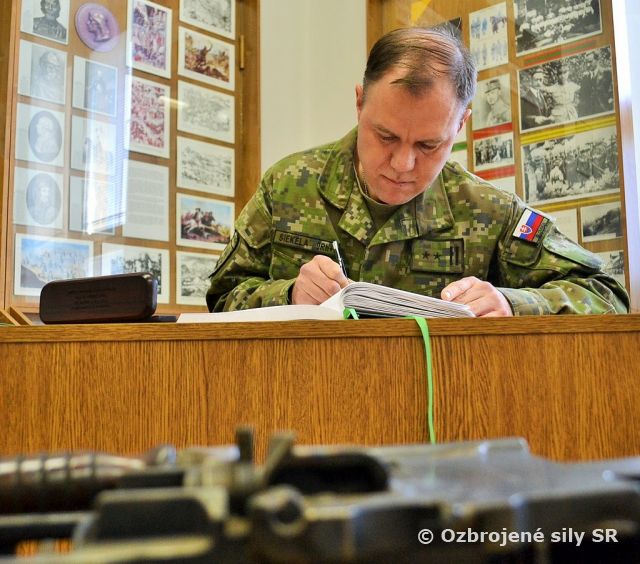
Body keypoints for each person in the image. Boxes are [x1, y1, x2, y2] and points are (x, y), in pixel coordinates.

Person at [206, 26, 628, 317]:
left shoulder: (490, 211)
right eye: (385, 136)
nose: (402, 164)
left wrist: (511, 303)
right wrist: (290, 295)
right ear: (359, 102)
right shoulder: (288, 185)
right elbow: (221, 297)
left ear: (460, 125)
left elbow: (606, 296)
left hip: (437, 411)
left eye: (428, 145)